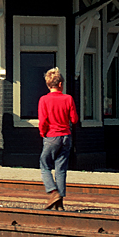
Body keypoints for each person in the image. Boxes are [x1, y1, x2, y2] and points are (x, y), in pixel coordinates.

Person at [38, 67, 79, 211]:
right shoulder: (68, 98)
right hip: (66, 136)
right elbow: (74, 119)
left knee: (44, 165)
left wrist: (43, 133)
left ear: (48, 84)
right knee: (61, 169)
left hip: (51, 136)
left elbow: (42, 121)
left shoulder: (44, 100)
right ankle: (60, 203)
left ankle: (53, 192)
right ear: (60, 84)